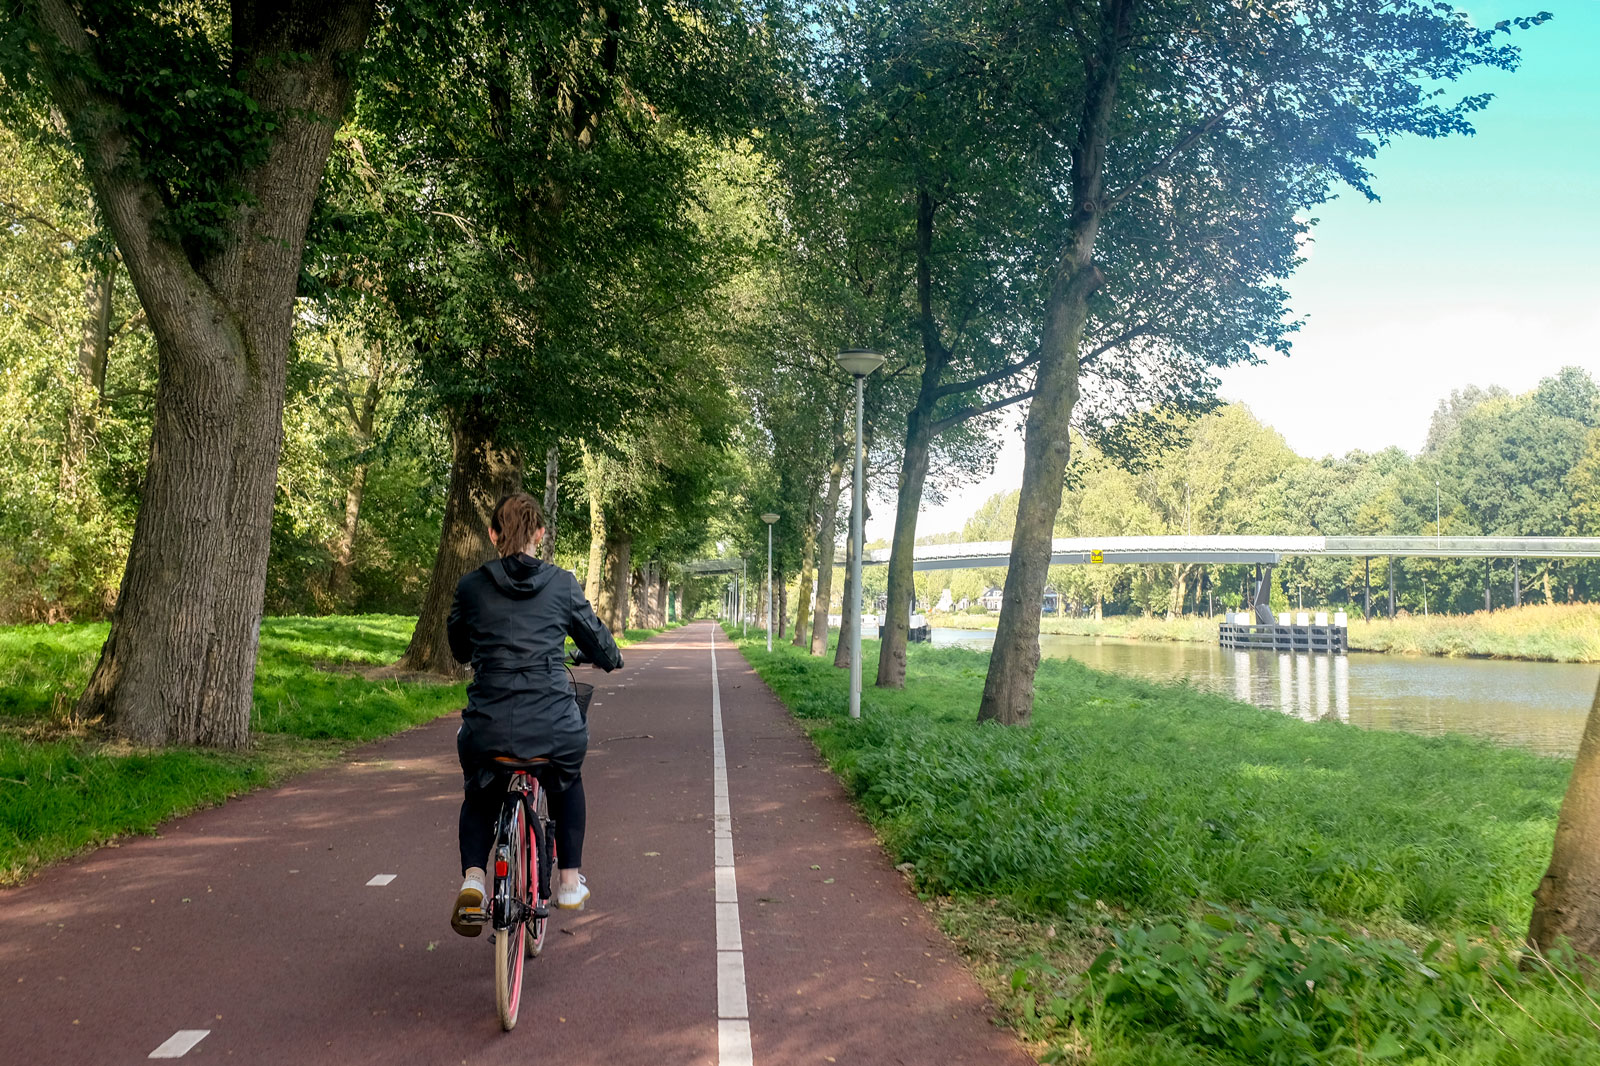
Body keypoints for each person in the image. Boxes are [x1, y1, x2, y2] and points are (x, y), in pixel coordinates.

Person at [445, 491, 623, 936]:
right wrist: (608, 657)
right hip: (551, 726)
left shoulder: (469, 587)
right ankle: (567, 883)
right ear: (540, 534)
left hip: (487, 726)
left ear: (492, 534)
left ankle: (474, 880)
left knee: (480, 792)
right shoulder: (562, 584)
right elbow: (599, 643)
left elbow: (459, 648)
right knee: (565, 779)